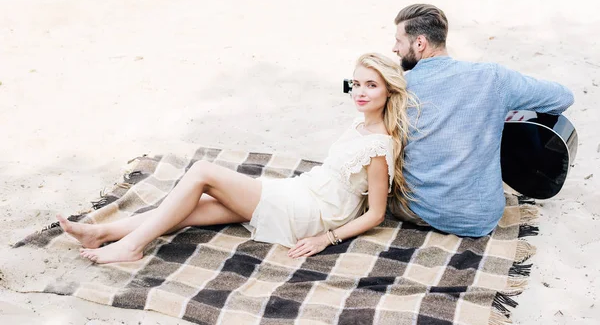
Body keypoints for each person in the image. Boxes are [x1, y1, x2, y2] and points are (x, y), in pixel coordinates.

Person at [57, 53, 417, 264]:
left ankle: (133, 246)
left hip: (313, 212)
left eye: (372, 85)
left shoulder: (379, 145)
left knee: (202, 172)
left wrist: (328, 239)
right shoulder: (359, 124)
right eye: (357, 83)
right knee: (197, 206)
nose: (361, 91)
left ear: (389, 91)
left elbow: (376, 213)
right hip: (302, 192)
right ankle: (101, 232)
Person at [389, 3, 575, 237]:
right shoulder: (492, 77)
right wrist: (499, 113)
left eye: (399, 40)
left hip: (422, 211)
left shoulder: (400, 86)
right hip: (481, 219)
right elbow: (563, 98)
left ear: (420, 43)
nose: (394, 48)